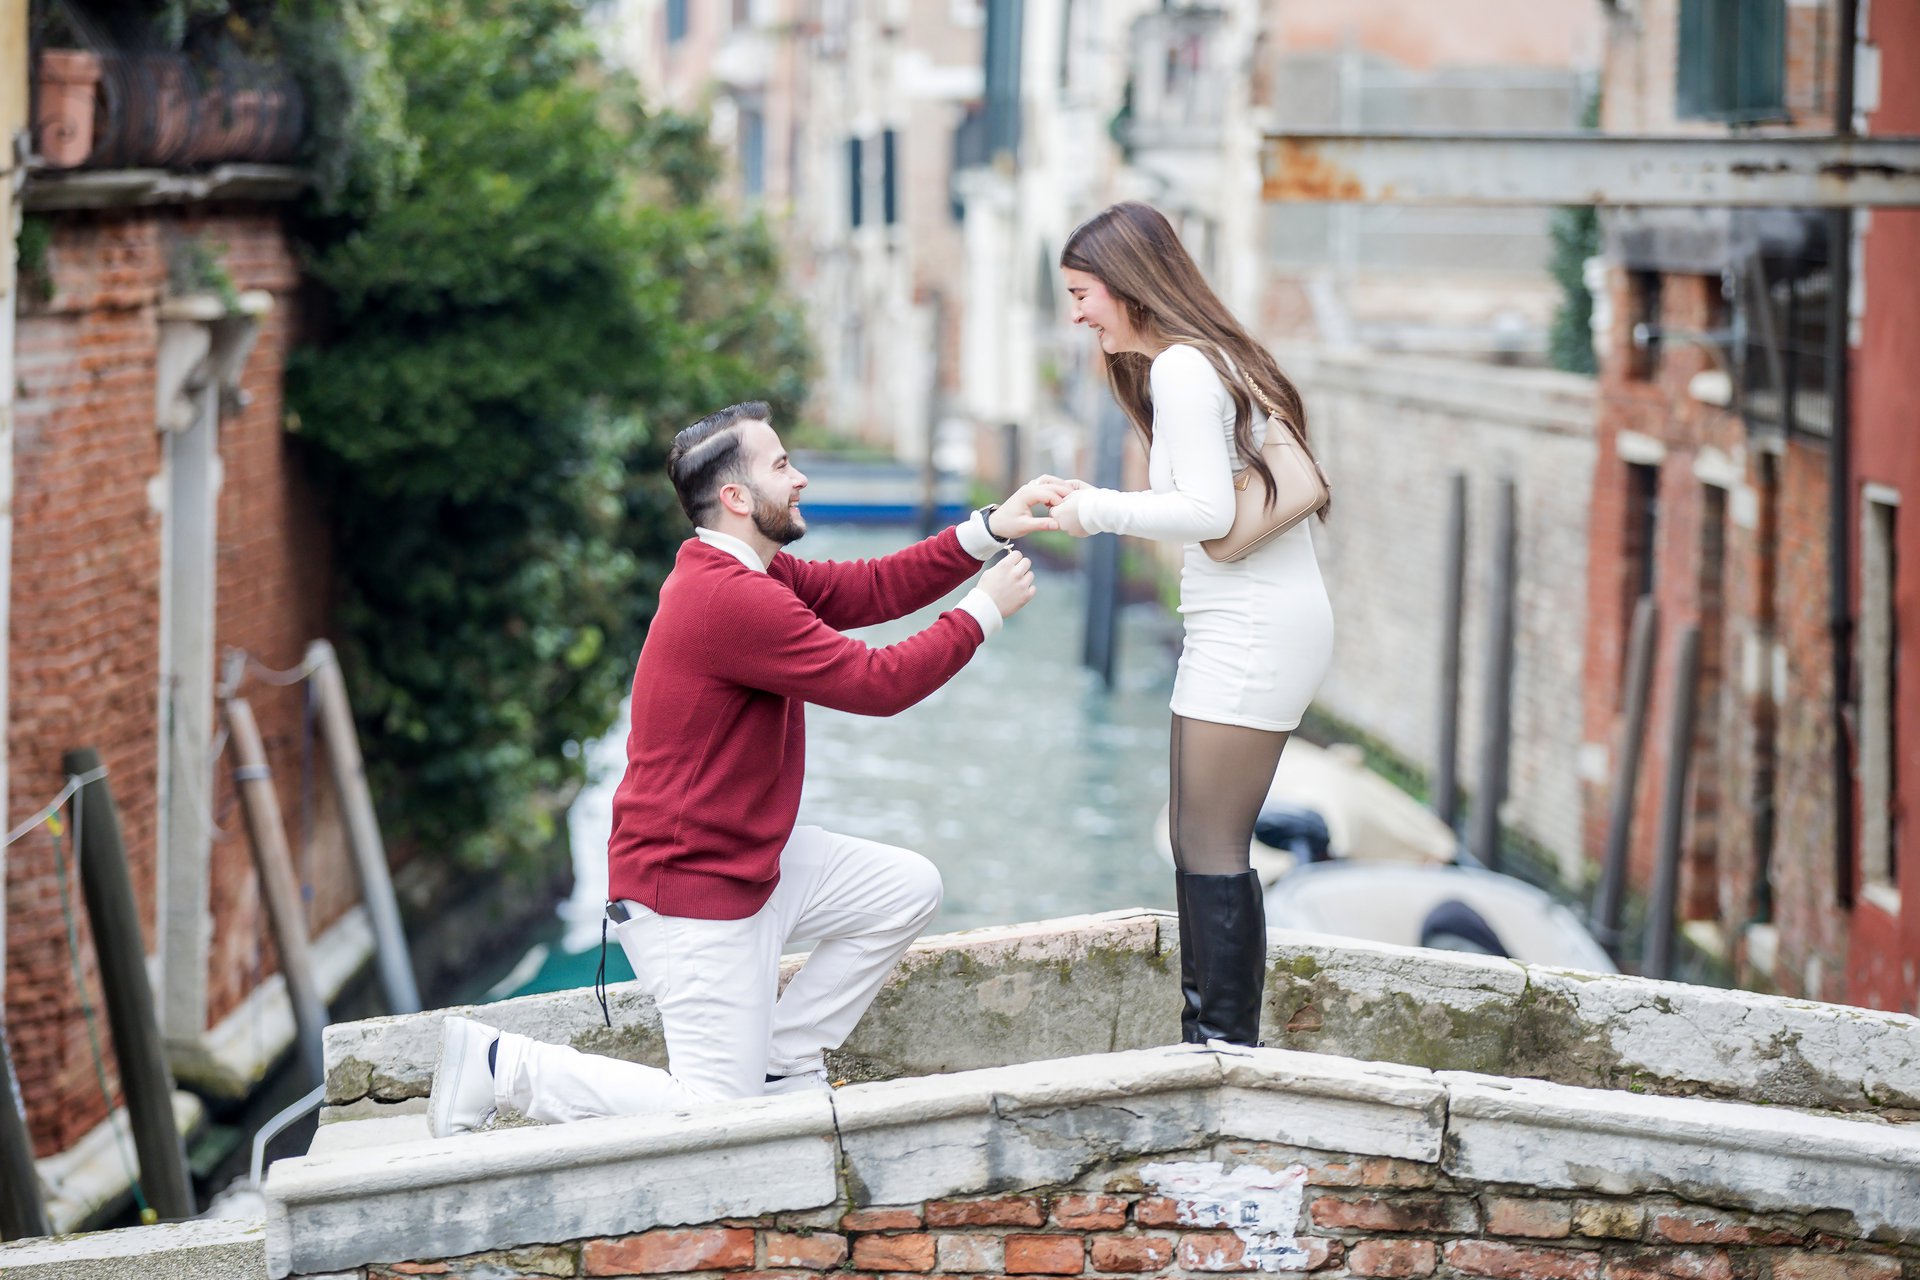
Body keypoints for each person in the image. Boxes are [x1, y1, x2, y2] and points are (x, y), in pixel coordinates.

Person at [427, 401, 1070, 1135]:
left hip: (745, 862)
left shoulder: (751, 572)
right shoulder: (729, 598)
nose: (800, 479)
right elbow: (877, 684)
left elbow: (870, 588)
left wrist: (989, 529)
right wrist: (981, 612)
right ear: (736, 496)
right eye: (781, 465)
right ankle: (498, 1065)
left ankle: (783, 1060)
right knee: (717, 1113)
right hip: (691, 893)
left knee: (904, 889)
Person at [1049, 202, 1334, 1047]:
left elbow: (1207, 511)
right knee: (1194, 835)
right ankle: (1207, 1037)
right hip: (1242, 620)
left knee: (1209, 841)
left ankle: (1222, 1047)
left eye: (1083, 294)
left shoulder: (1181, 367)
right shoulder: (1205, 360)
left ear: (1127, 282)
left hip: (1253, 625)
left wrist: (1092, 509)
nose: (1077, 315)